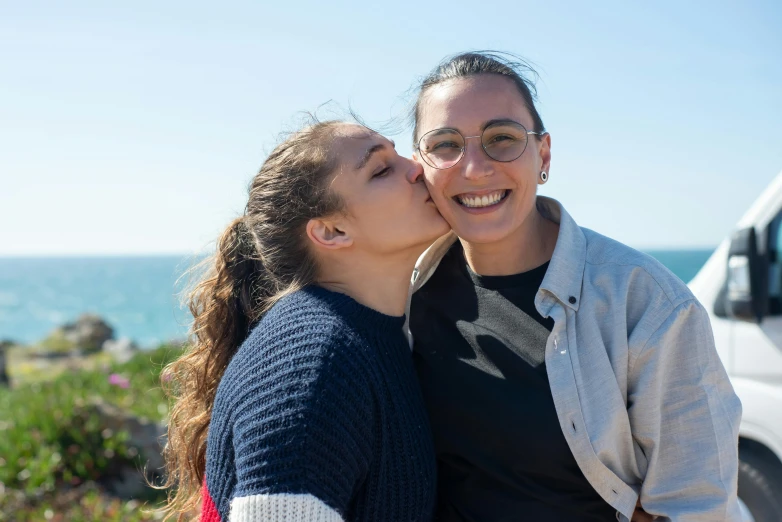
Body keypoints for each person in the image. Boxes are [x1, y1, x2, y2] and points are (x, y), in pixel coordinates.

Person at [407, 52, 743, 522]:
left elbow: (696, 505)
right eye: (445, 144)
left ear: (543, 155)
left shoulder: (645, 304)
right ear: (420, 164)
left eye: (501, 138)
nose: (475, 168)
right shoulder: (402, 292)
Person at [160, 120, 449, 522]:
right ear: (331, 231)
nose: (417, 166)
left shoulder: (371, 334)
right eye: (381, 170)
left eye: (398, 153)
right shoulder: (317, 362)